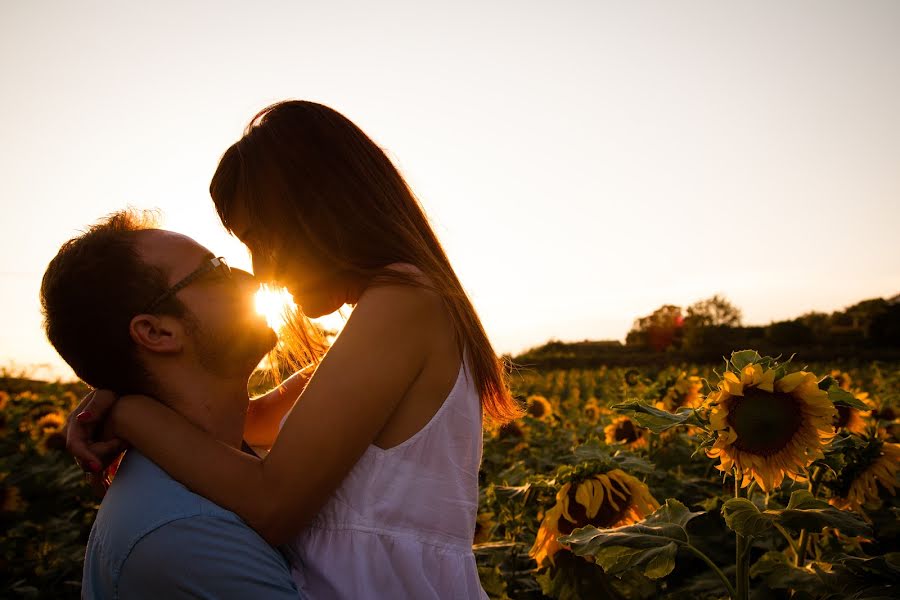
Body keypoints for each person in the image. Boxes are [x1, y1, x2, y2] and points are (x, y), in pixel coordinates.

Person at [67, 100, 522, 598]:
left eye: (264, 239)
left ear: (323, 216)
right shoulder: (393, 319)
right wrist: (109, 399)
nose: (261, 271)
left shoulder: (403, 304)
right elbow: (247, 419)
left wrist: (130, 414)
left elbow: (272, 504)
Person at [42, 211, 305, 599]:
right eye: (215, 271)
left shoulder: (235, 459)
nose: (251, 279)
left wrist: (129, 411)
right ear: (156, 332)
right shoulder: (185, 532)